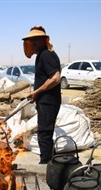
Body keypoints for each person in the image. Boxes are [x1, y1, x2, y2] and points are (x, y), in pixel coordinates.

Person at [22, 26, 61, 164]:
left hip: (48, 101)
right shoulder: (44, 54)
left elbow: (55, 78)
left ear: (43, 40)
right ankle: (54, 162)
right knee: (46, 133)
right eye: (30, 41)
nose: (32, 43)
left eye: (35, 40)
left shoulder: (46, 55)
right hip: (46, 100)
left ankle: (45, 165)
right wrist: (36, 95)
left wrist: (37, 92)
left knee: (44, 133)